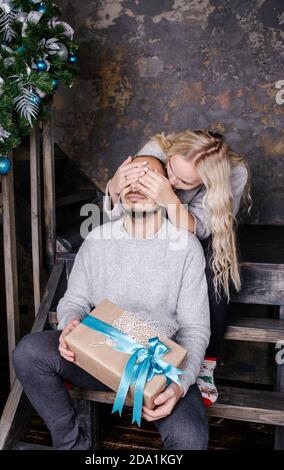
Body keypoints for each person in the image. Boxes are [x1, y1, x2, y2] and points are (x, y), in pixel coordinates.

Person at [13, 155, 210, 450]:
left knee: (190, 439)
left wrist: (180, 385)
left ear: (166, 188)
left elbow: (195, 331)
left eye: (148, 178)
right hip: (98, 355)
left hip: (155, 366)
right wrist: (71, 323)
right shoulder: (96, 240)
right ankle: (72, 447)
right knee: (28, 351)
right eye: (129, 177)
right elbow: (74, 300)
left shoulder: (186, 248)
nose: (136, 185)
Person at [104, 130, 251, 407]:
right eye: (170, 170)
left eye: (184, 182)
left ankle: (206, 364)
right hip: (150, 228)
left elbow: (204, 229)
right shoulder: (155, 149)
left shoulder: (234, 173)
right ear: (169, 155)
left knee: (217, 265)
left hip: (198, 235)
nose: (172, 181)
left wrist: (169, 198)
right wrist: (114, 188)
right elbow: (122, 207)